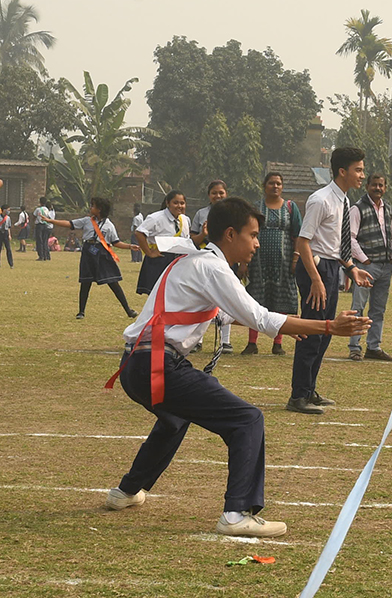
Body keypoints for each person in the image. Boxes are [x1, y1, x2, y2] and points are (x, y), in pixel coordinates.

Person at [103, 197, 371, 538]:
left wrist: (295, 326)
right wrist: (328, 326)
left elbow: (231, 315)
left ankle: (126, 491)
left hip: (135, 365)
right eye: (253, 234)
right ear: (230, 234)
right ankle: (236, 513)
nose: (257, 243)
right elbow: (257, 316)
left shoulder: (196, 261)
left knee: (174, 419)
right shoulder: (211, 267)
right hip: (156, 364)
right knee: (247, 419)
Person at [290, 148, 373, 414]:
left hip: (332, 267)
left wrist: (352, 270)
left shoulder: (345, 201)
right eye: (358, 170)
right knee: (313, 332)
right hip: (315, 269)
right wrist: (315, 280)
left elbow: (334, 247)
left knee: (326, 332)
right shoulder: (320, 200)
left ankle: (309, 389)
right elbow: (303, 242)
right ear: (342, 171)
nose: (362, 175)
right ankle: (297, 396)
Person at [41, 197, 139, 319]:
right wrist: (51, 221)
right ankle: (81, 312)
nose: (90, 208)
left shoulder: (109, 225)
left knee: (113, 282)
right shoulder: (87, 221)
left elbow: (115, 242)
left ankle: (128, 310)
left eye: (93, 206)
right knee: (85, 282)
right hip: (88, 252)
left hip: (103, 254)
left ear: (100, 209)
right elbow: (69, 224)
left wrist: (130, 246)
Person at [240, 173, 302, 357]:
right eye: (271, 183)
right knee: (256, 300)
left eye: (279, 183)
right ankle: (252, 343)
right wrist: (244, 262)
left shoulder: (291, 208)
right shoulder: (255, 208)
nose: (275, 186)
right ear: (264, 185)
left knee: (280, 300)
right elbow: (246, 233)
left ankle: (278, 343)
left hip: (284, 264)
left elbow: (298, 234)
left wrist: (296, 258)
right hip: (258, 262)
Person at [348, 173, 392, 362]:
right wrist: (364, 260)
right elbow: (351, 238)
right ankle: (354, 347)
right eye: (374, 185)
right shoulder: (357, 209)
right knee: (358, 307)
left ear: (385, 188)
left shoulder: (388, 209)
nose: (378, 188)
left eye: (381, 185)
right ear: (367, 186)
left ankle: (374, 346)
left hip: (386, 266)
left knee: (378, 309)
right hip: (365, 267)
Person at [190, 181, 233, 354]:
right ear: (209, 195)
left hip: (227, 260)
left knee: (226, 298)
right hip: (204, 260)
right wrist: (203, 234)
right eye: (214, 193)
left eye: (221, 193)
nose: (218, 196)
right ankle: (196, 340)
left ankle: (225, 342)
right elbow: (192, 240)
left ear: (226, 193)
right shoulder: (201, 214)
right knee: (202, 298)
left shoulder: (232, 213)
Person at [135, 190, 191, 295]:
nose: (179, 206)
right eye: (175, 203)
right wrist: (149, 252)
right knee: (157, 295)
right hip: (160, 260)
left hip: (178, 262)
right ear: (168, 203)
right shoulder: (156, 218)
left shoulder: (185, 220)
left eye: (182, 203)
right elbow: (139, 233)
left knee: (176, 295)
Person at [33, 197, 54, 261]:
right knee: (45, 241)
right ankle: (46, 255)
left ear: (40, 202)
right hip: (45, 225)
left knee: (39, 241)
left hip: (39, 225)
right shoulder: (47, 210)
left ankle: (41, 256)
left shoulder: (38, 209)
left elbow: (34, 216)